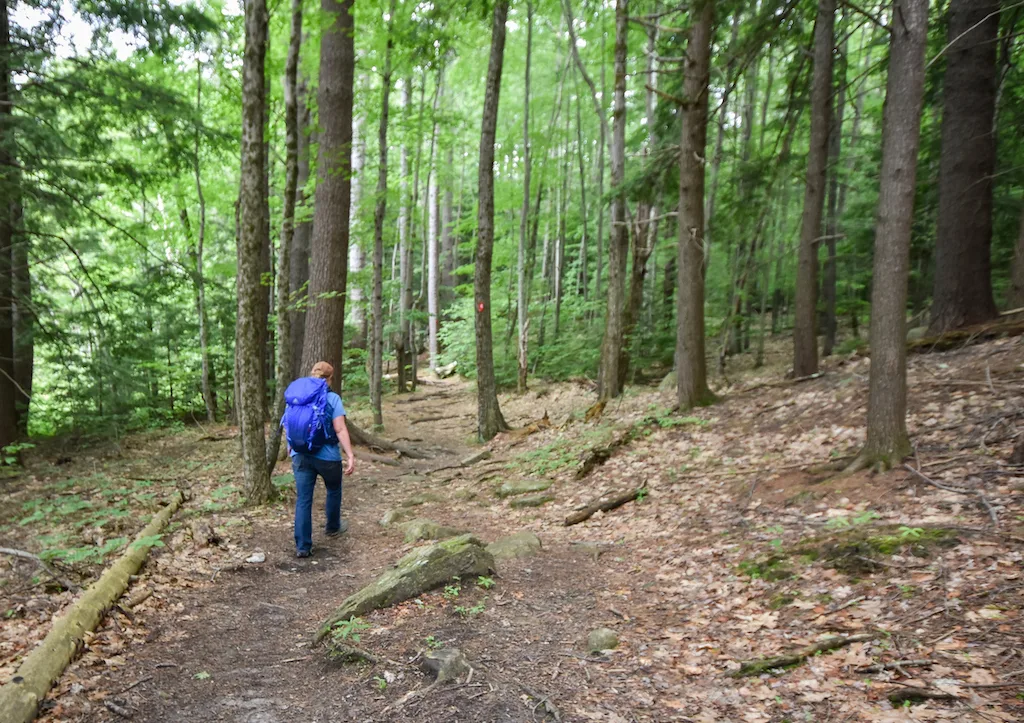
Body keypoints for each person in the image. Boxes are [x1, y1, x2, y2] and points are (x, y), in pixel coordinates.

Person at [284, 361, 356, 558]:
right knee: (333, 488)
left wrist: (291, 448)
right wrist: (349, 454)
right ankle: (333, 527)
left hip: (300, 454)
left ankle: (303, 547)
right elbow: (340, 428)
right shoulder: (332, 398)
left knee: (303, 499)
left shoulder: (297, 397)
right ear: (330, 378)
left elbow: (288, 424)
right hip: (327, 456)